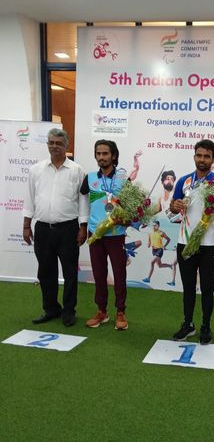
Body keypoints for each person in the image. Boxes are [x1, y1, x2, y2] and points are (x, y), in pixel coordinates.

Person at [23, 128, 89, 327]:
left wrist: (83, 227)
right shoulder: (36, 170)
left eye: (59, 143)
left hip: (68, 229)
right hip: (43, 229)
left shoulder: (77, 170)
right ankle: (51, 309)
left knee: (70, 273)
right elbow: (30, 199)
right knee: (45, 272)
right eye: (51, 143)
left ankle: (69, 311)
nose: (54, 146)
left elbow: (83, 201)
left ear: (66, 145)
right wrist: (26, 225)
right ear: (47, 144)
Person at [81, 140, 141, 331]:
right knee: (99, 274)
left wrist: (128, 219)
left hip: (116, 233)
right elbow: (82, 201)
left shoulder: (123, 178)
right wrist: (83, 226)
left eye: (105, 153)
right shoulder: (90, 178)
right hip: (95, 233)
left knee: (119, 273)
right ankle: (101, 311)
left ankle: (120, 312)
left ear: (113, 156)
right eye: (98, 153)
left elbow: (132, 205)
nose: (101, 157)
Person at [170, 140, 214, 344]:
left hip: (209, 243)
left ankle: (206, 326)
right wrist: (175, 206)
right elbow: (172, 208)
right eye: (199, 155)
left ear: (213, 159)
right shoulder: (183, 181)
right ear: (194, 157)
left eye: (207, 156)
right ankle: (188, 324)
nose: (202, 159)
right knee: (188, 287)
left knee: (208, 288)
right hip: (185, 240)